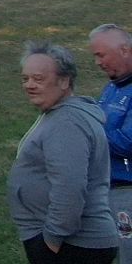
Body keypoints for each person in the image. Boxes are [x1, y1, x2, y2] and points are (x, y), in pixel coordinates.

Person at [11, 40, 119, 263]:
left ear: (64, 81)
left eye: (38, 79)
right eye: (25, 78)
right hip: (68, 244)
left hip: (73, 246)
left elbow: (69, 187)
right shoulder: (59, 115)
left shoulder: (67, 122)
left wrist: (52, 239)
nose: (29, 85)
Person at [87, 24, 132, 260]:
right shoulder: (114, 86)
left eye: (100, 54)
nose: (97, 62)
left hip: (127, 191)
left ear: (124, 50)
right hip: (107, 188)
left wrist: (88, 130)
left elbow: (127, 143)